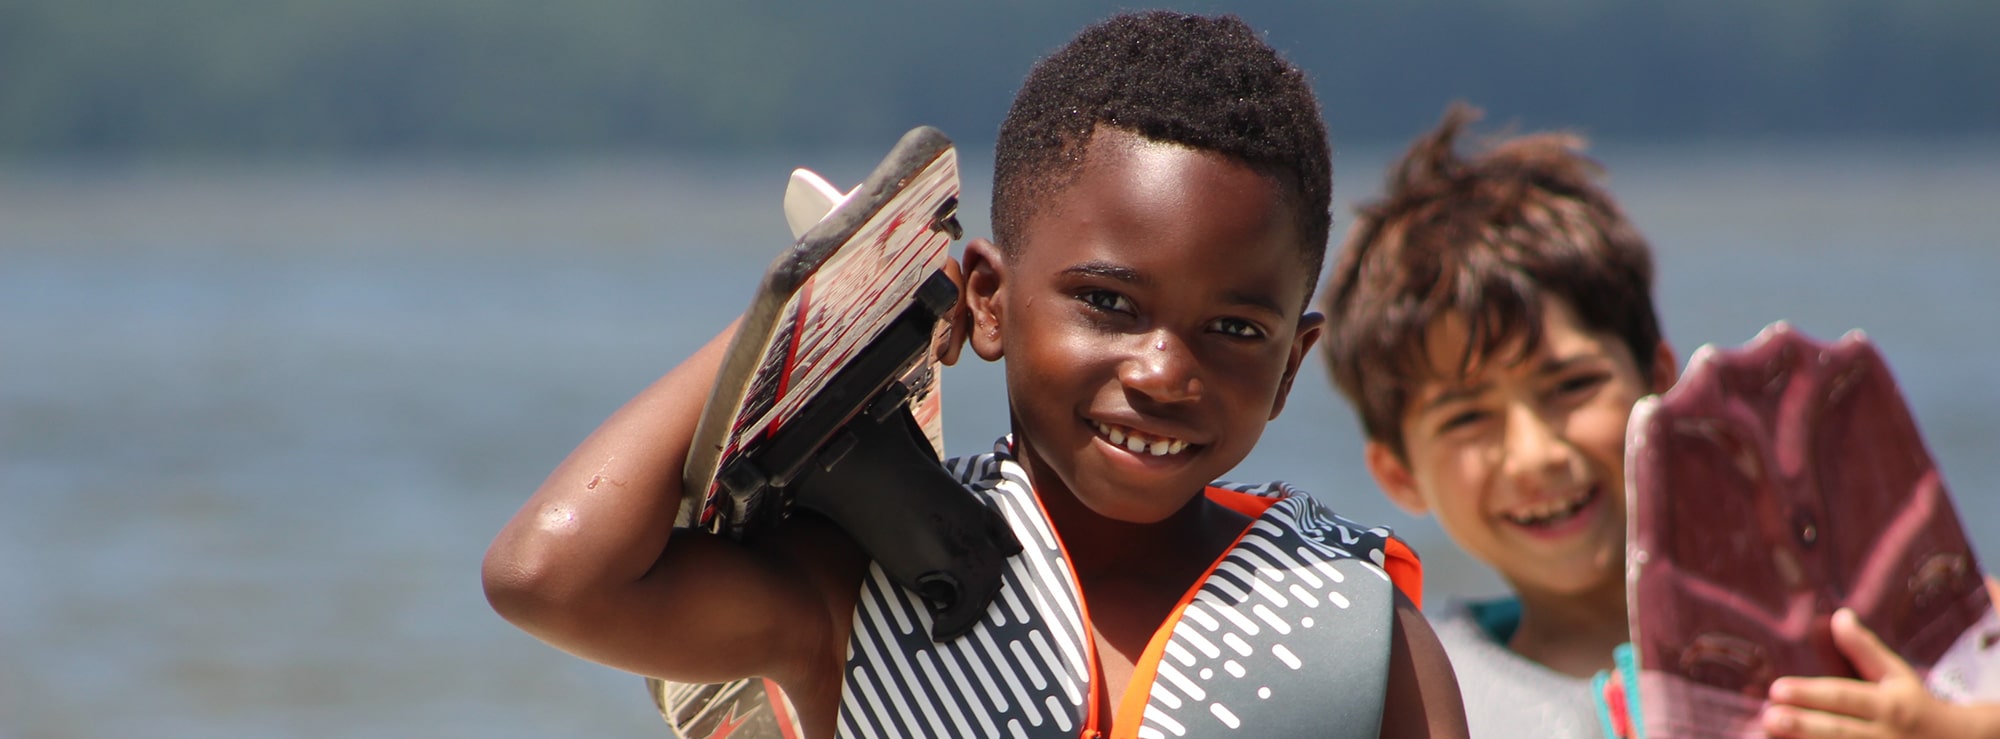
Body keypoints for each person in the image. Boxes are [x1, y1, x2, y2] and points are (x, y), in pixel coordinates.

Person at [483, 11, 1467, 738]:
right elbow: (547, 577)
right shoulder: (850, 585)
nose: (1165, 369)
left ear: (1292, 363)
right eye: (1108, 305)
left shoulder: (1357, 626)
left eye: (1232, 329)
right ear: (985, 301)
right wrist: (819, 311)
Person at [1318, 102, 2000, 739]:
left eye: (1573, 384)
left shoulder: (1865, 601)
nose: (1536, 453)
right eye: (1467, 418)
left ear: (1660, 386)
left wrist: (1953, 727)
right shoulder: (1423, 700)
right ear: (1397, 471)